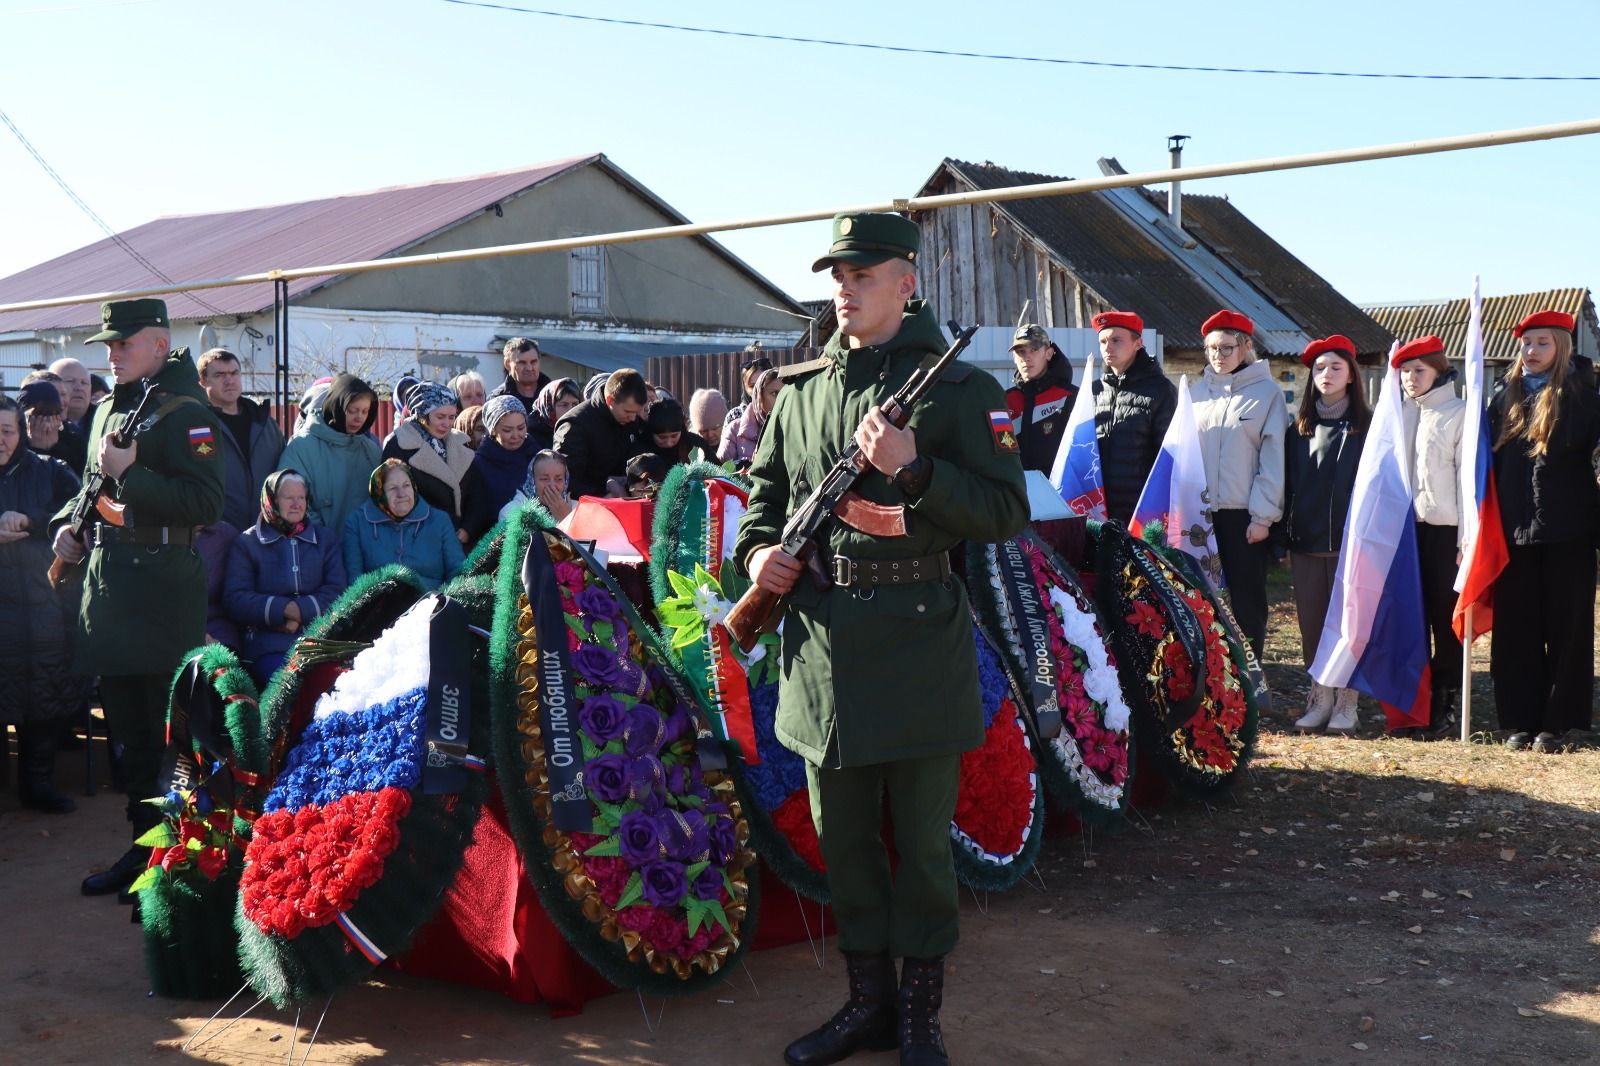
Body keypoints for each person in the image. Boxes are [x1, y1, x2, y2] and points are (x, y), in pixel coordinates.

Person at [734, 212, 1028, 1066]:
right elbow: (761, 502)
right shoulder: (801, 392)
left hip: (918, 644)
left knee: (924, 849)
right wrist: (761, 559)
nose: (845, 288)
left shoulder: (964, 393)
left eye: (863, 274)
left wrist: (915, 470)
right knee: (847, 845)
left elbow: (1006, 512)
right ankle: (867, 1004)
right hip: (824, 652)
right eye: (838, 274)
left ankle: (918, 1015)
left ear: (907, 280)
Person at [50, 299, 224, 901]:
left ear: (157, 342)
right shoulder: (105, 410)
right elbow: (88, 491)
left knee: (168, 733)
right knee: (129, 734)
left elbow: (206, 504)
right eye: (109, 345)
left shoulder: (186, 412)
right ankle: (141, 852)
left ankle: (177, 860)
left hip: (160, 591)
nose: (112, 353)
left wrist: (131, 475)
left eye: (123, 344)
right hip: (110, 589)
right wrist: (66, 527)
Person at [1488, 311, 1600, 754]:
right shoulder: (1502, 398)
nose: (1531, 352)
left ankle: (1557, 723)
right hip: (1514, 532)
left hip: (1570, 532)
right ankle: (1519, 719)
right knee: (1517, 629)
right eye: (1526, 343)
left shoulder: (1587, 399)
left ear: (1562, 347)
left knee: (1568, 627)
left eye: (1542, 343)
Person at [0, 395, 86, 813]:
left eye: (7, 430)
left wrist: (32, 520)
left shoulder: (51, 472)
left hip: (45, 607)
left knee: (43, 695)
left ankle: (38, 783)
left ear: (21, 431)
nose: (0, 439)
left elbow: (81, 513)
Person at [1284, 336, 1369, 735]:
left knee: (1350, 625)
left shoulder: (1367, 429)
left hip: (1353, 546)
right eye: (1319, 368)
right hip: (1307, 543)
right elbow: (1289, 486)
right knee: (1313, 624)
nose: (1327, 375)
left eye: (1336, 367)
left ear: (1351, 375)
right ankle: (1320, 697)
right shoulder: (1297, 430)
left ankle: (1347, 702)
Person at [1190, 310, 1287, 660]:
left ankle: (1251, 676)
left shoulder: (1267, 395)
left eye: (1227, 348)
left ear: (1247, 346)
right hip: (1199, 514)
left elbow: (1273, 459)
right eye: (1212, 349)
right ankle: (1213, 674)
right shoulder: (1194, 393)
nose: (1219, 356)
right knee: (1201, 598)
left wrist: (1262, 518)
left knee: (1247, 601)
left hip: (1242, 516)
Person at [1394, 335, 1467, 739]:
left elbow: (1466, 482)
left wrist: (1465, 540)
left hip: (1446, 532)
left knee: (1445, 620)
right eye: (1405, 372)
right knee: (1411, 619)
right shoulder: (1401, 414)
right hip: (1408, 532)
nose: (1410, 378)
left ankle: (1448, 703)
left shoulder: (1458, 414)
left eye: (1418, 371)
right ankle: (1414, 705)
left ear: (1439, 371)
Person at [224, 470, 347, 687]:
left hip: (319, 641)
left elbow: (337, 590)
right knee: (289, 688)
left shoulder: (325, 540)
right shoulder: (247, 543)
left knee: (338, 685)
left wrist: (299, 610)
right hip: (268, 646)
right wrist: (281, 609)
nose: (296, 504)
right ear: (271, 500)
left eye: (301, 497)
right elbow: (236, 599)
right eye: (288, 498)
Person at [1091, 310, 1176, 525]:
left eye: (1116, 340)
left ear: (1138, 343)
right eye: (1103, 341)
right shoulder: (1093, 391)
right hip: (1097, 509)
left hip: (1141, 512)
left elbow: (1167, 458)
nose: (1107, 348)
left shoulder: (1160, 390)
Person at [280, 373, 381, 534]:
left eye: (365, 411)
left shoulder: (371, 450)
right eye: (353, 410)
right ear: (337, 406)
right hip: (318, 550)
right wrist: (324, 540)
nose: (359, 418)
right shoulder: (301, 447)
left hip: (363, 551)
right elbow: (289, 500)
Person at [342, 459, 464, 589]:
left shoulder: (439, 520)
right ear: (379, 493)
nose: (402, 494)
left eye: (406, 485)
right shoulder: (356, 523)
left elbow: (458, 572)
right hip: (381, 604)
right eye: (393, 488)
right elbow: (355, 581)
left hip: (432, 602)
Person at [199, 348, 285, 531]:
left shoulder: (265, 424)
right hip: (216, 535)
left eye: (234, 373)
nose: (229, 380)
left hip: (266, 534)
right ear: (203, 381)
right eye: (220, 375)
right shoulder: (197, 426)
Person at [382, 381, 474, 541]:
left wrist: (468, 528)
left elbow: (476, 493)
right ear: (422, 414)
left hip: (462, 540)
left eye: (451, 417)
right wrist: (445, 528)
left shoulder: (461, 443)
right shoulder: (398, 446)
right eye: (440, 417)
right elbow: (398, 496)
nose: (446, 424)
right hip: (420, 538)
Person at [552, 369, 650, 499]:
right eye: (627, 412)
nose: (633, 418)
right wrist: (604, 490)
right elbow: (565, 481)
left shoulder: (631, 420)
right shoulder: (574, 427)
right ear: (610, 400)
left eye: (636, 413)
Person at [460, 394, 539, 541]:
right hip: (498, 541)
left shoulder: (536, 455)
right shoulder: (479, 463)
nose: (516, 435)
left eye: (521, 428)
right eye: (508, 430)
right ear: (493, 430)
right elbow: (477, 510)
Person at [1003, 323, 1078, 475]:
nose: (1026, 357)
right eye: (1020, 351)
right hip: (1014, 493)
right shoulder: (1003, 400)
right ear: (1013, 357)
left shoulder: (1071, 397)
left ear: (1049, 353)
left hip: (1057, 494)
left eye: (1034, 350)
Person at [18, 379, 87, 473]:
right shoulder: (12, 440)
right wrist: (36, 449)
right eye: (39, 414)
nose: (46, 422)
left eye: (51, 414)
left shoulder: (73, 441)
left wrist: (55, 448)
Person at [718, 367, 781, 465]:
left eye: (784, 393)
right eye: (774, 393)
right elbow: (720, 472)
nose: (781, 399)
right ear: (759, 395)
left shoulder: (797, 427)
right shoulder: (735, 430)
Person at [195, 519, 241, 649]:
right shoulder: (158, 533)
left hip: (217, 630)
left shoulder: (226, 536)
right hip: (169, 627)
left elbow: (238, 595)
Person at [499, 448, 573, 524]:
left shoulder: (577, 510)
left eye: (559, 479)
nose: (552, 486)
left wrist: (567, 518)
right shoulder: (512, 512)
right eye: (544, 479)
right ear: (532, 481)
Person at [488, 337, 551, 417]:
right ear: (507, 364)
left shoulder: (555, 395)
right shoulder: (497, 399)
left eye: (533, 362)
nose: (529, 368)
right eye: (522, 363)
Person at [646, 397, 712, 469]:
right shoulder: (642, 449)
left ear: (681, 430)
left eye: (674, 436)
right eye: (662, 437)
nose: (669, 442)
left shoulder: (696, 445)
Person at [723, 354, 773, 442]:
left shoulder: (782, 411)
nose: (758, 390)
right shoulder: (735, 415)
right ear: (745, 388)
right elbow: (726, 453)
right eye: (752, 386)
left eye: (762, 384)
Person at [530, 376, 583, 451]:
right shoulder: (532, 436)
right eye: (564, 405)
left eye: (575, 404)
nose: (571, 410)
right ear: (550, 407)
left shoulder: (582, 428)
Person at [47, 357, 94, 434]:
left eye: (84, 382)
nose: (79, 388)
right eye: (70, 381)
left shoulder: (104, 420)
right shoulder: (38, 426)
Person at [688, 387, 729, 453]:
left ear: (725, 424)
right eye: (704, 431)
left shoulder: (738, 447)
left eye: (715, 428)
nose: (710, 435)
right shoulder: (689, 451)